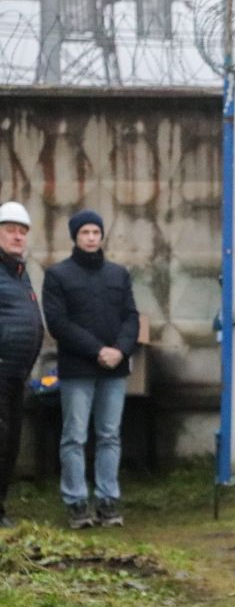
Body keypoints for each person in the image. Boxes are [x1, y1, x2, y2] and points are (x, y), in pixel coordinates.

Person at [42, 210, 140, 529]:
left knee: (109, 435)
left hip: (114, 370)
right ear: (75, 236)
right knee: (74, 435)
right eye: (84, 232)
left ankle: (107, 500)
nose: (91, 237)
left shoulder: (118, 275)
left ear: (102, 236)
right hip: (77, 370)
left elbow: (131, 317)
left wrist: (121, 350)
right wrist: (97, 351)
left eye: (96, 232)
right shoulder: (58, 275)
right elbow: (58, 323)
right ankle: (76, 501)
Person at [0, 202, 44, 528]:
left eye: (22, 232)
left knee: (10, 444)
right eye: (10, 230)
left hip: (17, 375)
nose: (17, 237)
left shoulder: (19, 272)